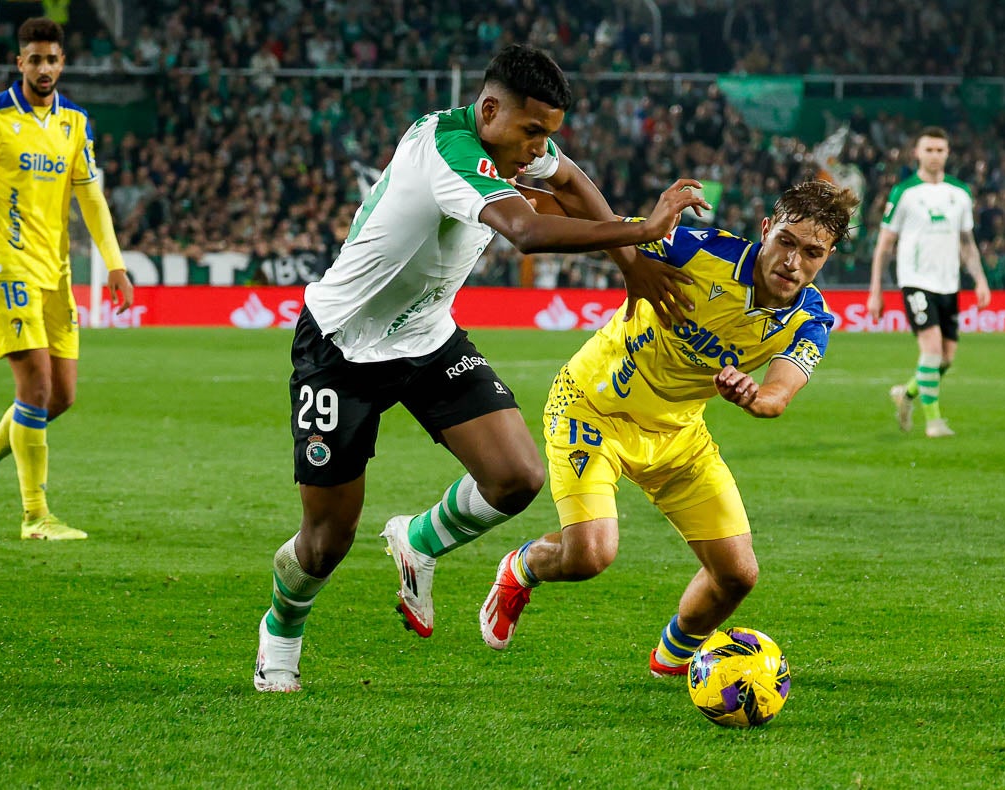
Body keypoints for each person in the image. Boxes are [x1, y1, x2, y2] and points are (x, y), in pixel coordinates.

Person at [253, 44, 709, 693]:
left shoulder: (512, 142)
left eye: (546, 134)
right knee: (327, 540)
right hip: (341, 348)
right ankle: (281, 630)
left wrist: (632, 271)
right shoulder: (450, 151)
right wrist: (640, 231)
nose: (537, 149)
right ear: (489, 108)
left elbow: (571, 183)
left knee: (516, 478)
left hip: (428, 338)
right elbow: (524, 230)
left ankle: (416, 540)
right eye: (530, 132)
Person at [478, 181, 858, 677]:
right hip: (592, 409)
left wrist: (753, 394)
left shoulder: (811, 319)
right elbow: (611, 230)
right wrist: (553, 187)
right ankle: (521, 568)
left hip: (677, 435)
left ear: (826, 258)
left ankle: (674, 660)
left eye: (812, 253)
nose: (793, 262)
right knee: (590, 556)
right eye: (786, 241)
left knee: (738, 575)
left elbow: (777, 397)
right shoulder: (699, 250)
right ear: (766, 230)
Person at [0, 17, 133, 540]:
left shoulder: (75, 123)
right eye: (34, 59)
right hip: (2, 265)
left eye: (52, 59)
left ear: (62, 62)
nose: (43, 68)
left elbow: (92, 199)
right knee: (34, 386)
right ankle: (36, 516)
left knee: (61, 396)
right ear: (20, 63)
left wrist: (116, 263)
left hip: (54, 271)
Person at [867, 127, 990, 438]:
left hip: (949, 283)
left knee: (946, 359)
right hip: (915, 281)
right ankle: (933, 421)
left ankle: (906, 394)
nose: (935, 155)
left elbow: (967, 242)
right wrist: (876, 291)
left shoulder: (960, 193)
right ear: (917, 153)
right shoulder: (904, 193)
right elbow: (884, 246)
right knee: (932, 349)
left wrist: (980, 279)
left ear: (947, 154)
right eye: (929, 150)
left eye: (940, 150)